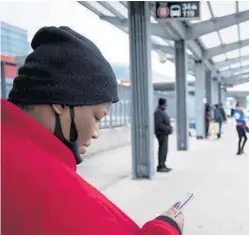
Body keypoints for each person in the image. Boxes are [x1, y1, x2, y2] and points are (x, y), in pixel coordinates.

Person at [2, 26, 184, 235]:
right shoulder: (50, 188)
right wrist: (166, 228)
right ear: (60, 103)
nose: (96, 132)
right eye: (97, 117)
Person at [154, 98, 173, 173]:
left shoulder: (161, 111)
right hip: (161, 134)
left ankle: (163, 164)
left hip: (164, 134)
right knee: (162, 150)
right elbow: (159, 125)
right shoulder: (158, 112)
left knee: (164, 150)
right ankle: (160, 166)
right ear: (163, 104)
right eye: (166, 103)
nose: (167, 105)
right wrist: (168, 129)